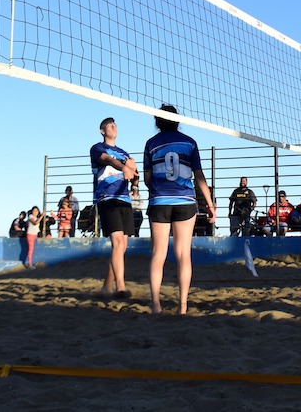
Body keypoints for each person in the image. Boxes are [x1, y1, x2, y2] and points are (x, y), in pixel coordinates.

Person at [144, 105, 216, 315]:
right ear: (177, 120)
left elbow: (148, 178)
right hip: (185, 200)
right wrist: (210, 205)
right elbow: (199, 176)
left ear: (158, 121)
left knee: (158, 254)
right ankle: (182, 306)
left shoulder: (151, 144)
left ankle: (156, 305)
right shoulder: (189, 143)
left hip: (160, 201)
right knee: (183, 254)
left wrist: (159, 187)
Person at [90, 117, 138, 298]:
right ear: (102, 131)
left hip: (124, 199)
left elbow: (135, 173)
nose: (113, 126)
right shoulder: (97, 148)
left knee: (122, 246)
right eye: (109, 125)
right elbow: (108, 160)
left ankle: (106, 286)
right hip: (107, 198)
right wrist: (125, 166)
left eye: (115, 124)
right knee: (117, 243)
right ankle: (121, 287)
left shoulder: (125, 153)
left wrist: (134, 183)